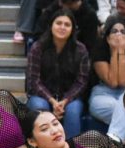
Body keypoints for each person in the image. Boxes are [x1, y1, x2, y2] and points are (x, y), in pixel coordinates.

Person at [25, 10, 89, 138]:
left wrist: (65, 101)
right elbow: (34, 80)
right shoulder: (38, 47)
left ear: (73, 29)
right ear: (51, 25)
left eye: (67, 24)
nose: (62, 27)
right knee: (39, 106)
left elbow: (81, 82)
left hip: (70, 98)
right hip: (42, 96)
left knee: (73, 111)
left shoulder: (80, 49)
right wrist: (53, 101)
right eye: (58, 23)